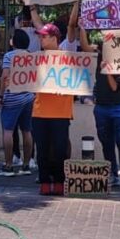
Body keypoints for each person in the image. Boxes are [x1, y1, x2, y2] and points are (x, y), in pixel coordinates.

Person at [80, 27, 120, 189]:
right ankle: (113, 173)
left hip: (119, 105)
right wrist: (82, 28)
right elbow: (85, 47)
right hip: (101, 106)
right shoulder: (99, 51)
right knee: (106, 142)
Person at [31, 23, 74, 195]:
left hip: (61, 112)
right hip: (40, 111)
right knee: (41, 150)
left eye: (44, 36)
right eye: (40, 36)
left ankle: (58, 181)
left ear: (54, 38)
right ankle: (44, 181)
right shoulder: (35, 59)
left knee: (59, 150)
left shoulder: (69, 57)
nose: (40, 39)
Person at [0, 29, 34, 177]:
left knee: (8, 131)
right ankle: (26, 164)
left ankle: (8, 165)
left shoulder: (9, 56)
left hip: (12, 97)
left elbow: (5, 76)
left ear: (14, 41)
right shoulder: (31, 56)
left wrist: (0, 95)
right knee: (27, 131)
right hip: (28, 97)